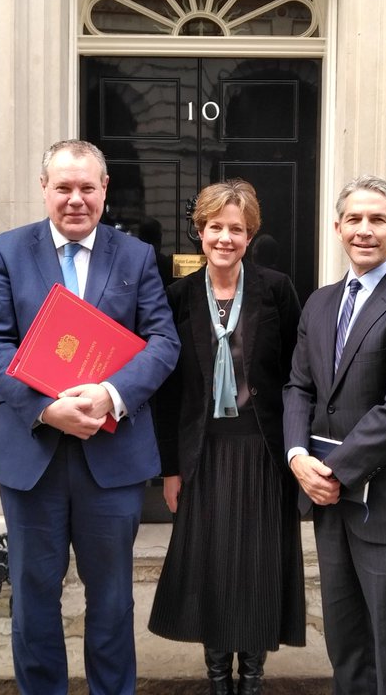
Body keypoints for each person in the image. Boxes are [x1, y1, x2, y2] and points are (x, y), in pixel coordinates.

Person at [0, 139, 181, 695]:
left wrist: (111, 395)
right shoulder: (6, 251)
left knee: (111, 600)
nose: (75, 199)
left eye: (87, 187)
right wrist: (47, 409)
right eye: (63, 187)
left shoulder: (135, 256)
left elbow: (163, 342)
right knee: (33, 599)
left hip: (112, 460)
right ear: (44, 188)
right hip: (33, 456)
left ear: (104, 190)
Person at [283, 174, 386, 695]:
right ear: (337, 228)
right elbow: (299, 387)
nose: (364, 229)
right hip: (332, 506)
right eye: (353, 219)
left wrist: (331, 472)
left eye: (377, 219)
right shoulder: (319, 302)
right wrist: (297, 457)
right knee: (348, 647)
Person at [149, 180, 306, 695]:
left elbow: (297, 376)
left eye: (236, 229)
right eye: (215, 227)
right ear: (200, 231)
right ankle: (218, 678)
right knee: (211, 566)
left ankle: (252, 678)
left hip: (263, 452)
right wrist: (171, 469)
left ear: (250, 235)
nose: (225, 238)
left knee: (257, 566)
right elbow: (167, 392)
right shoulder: (178, 296)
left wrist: (298, 451)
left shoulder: (276, 289)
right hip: (204, 453)